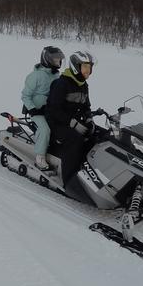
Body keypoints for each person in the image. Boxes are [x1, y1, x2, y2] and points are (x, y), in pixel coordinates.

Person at [46, 51, 97, 186]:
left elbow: (86, 106)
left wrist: (89, 120)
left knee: (98, 136)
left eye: (90, 67)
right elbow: (53, 109)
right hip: (56, 123)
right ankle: (69, 180)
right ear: (76, 67)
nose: (88, 71)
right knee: (75, 140)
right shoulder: (61, 84)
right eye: (85, 67)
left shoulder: (83, 85)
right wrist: (72, 123)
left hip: (73, 122)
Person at [21, 46, 64, 170]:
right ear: (47, 60)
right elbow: (25, 96)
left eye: (59, 60)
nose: (58, 62)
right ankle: (40, 157)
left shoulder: (56, 75)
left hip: (51, 110)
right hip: (37, 111)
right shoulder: (36, 76)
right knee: (45, 129)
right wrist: (32, 109)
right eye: (55, 60)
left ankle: (56, 151)